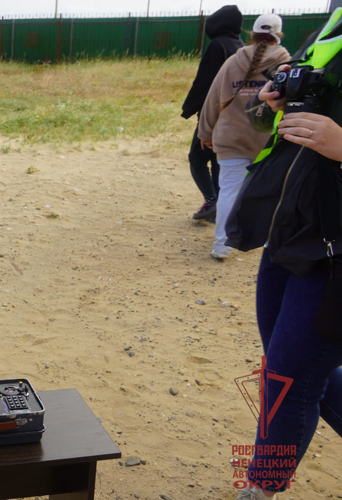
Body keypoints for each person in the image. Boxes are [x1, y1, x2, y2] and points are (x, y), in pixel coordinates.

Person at [225, 9, 342, 500]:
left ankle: (260, 488)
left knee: (287, 379)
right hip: (290, 231)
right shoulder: (335, 22)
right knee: (297, 371)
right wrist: (282, 95)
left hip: (334, 252)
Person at [198, 14, 289, 260]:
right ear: (278, 35)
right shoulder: (287, 63)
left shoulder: (232, 61)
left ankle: (222, 246)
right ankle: (270, 246)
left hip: (231, 137)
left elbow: (213, 97)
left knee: (228, 191)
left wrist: (205, 132)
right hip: (268, 140)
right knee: (273, 192)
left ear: (252, 33)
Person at [182, 5, 244, 222]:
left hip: (213, 114)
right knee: (219, 161)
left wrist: (189, 108)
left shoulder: (218, 45)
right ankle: (218, 204)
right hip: (234, 116)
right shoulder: (241, 46)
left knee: (196, 159)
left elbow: (205, 81)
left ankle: (212, 200)